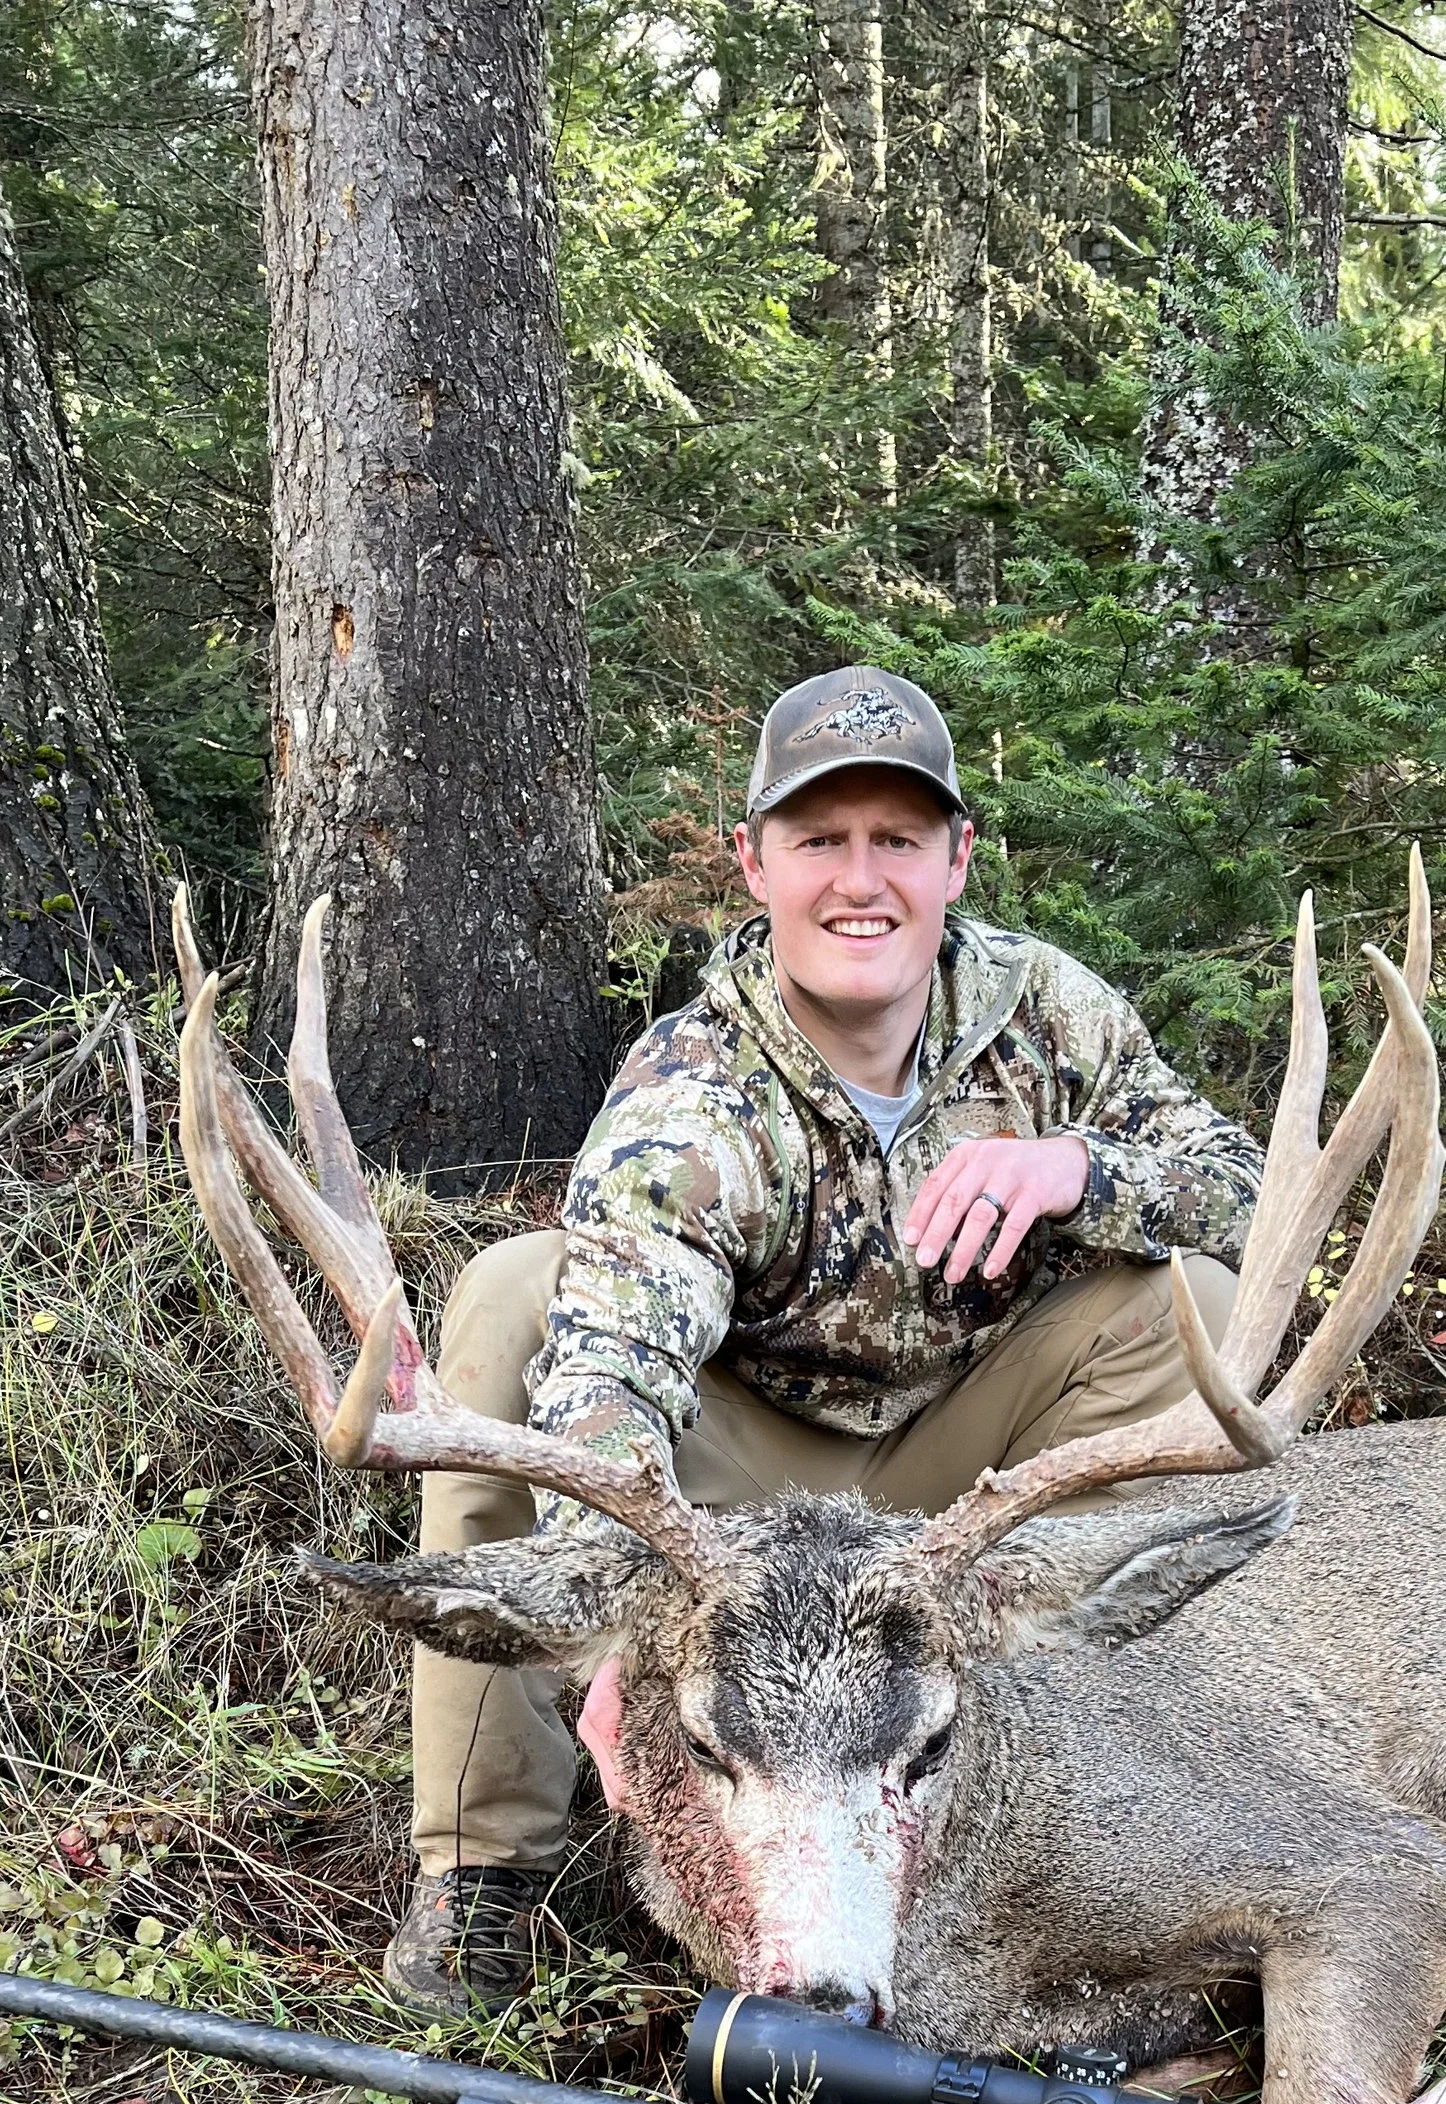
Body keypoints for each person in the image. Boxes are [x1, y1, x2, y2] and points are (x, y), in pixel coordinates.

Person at [391, 662, 1267, 2012]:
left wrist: (1076, 1171)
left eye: (897, 841)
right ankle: (485, 1870)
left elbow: (1248, 1193)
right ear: (755, 864)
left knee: (1192, 1305)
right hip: (746, 1504)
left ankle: (1074, 1778)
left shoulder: (1052, 1014)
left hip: (958, 1501)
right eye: (820, 841)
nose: (861, 881)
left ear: (956, 859)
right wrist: (623, 1603)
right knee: (515, 1294)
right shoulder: (696, 1087)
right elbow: (614, 1354)